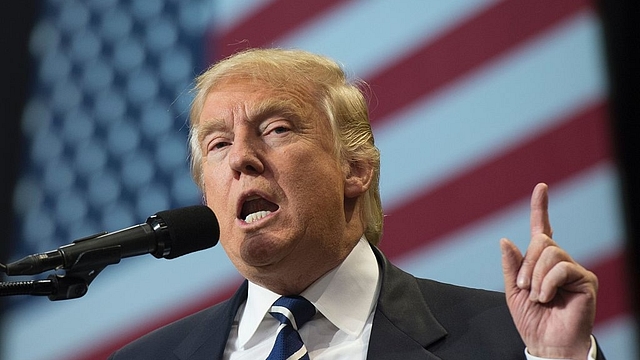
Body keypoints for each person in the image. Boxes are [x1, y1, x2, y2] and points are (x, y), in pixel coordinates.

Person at [109, 48, 604, 359]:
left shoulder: (507, 341)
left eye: (276, 129)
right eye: (218, 144)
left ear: (356, 168)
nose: (241, 157)